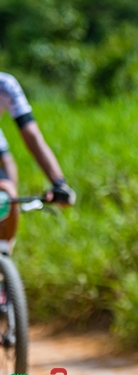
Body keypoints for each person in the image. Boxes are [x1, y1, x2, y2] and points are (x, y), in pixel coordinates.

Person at [0, 72, 76, 251]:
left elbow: (33, 137)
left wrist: (59, 183)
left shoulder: (6, 85)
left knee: (8, 194)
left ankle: (4, 254)